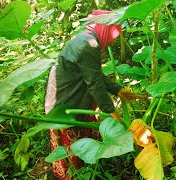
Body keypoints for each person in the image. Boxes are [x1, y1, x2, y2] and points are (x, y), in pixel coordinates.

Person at [44, 10, 136, 179]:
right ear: (105, 29)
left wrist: (117, 90)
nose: (114, 41)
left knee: (85, 149)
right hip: (66, 105)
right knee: (72, 157)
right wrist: (114, 115)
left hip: (73, 102)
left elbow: (94, 74)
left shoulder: (87, 39)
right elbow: (94, 83)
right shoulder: (88, 44)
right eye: (115, 35)